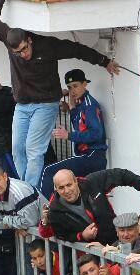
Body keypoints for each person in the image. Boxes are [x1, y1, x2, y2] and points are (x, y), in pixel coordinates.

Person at [0, 0, 120, 189]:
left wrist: (104, 61)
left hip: (45, 104)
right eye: (17, 52)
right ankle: (26, 188)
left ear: (29, 40)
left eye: (25, 49)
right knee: (17, 149)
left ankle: (29, 193)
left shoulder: (47, 46)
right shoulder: (8, 39)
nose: (23, 54)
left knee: (34, 149)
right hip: (22, 105)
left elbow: (76, 49)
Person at [44, 167, 140, 246]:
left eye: (69, 185)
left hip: (116, 241)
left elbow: (121, 175)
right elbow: (59, 234)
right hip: (92, 255)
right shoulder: (55, 210)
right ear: (56, 189)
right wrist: (82, 235)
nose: (66, 190)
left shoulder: (92, 182)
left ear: (76, 181)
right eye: (61, 188)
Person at [40, 69, 108, 198]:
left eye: (76, 86)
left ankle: (45, 212)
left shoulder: (89, 105)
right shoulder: (81, 103)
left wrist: (68, 135)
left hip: (92, 157)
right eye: (69, 87)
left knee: (49, 171)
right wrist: (69, 105)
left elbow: (96, 134)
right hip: (87, 157)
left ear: (84, 84)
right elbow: (77, 118)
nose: (72, 91)